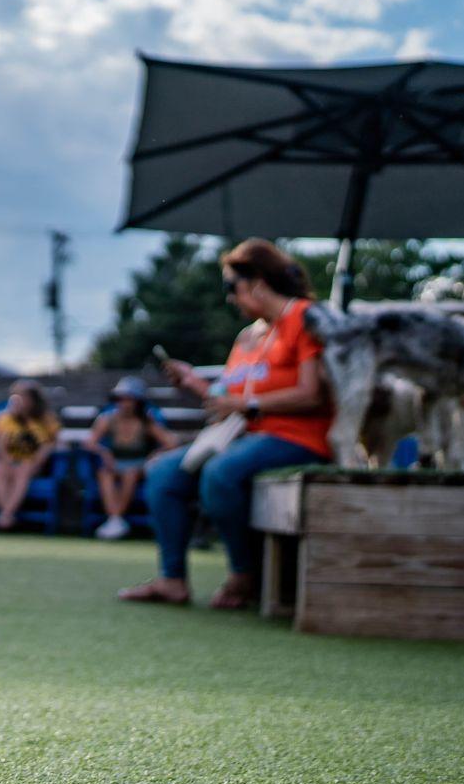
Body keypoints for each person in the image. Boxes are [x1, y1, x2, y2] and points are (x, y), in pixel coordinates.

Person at [119, 238, 334, 609]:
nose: (230, 297)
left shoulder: (302, 317)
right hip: (242, 436)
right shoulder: (248, 336)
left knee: (220, 474)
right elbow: (227, 399)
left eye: (231, 286)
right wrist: (194, 384)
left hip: (298, 436)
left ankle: (243, 576)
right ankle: (172, 580)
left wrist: (246, 403)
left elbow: (312, 393)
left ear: (258, 282)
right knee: (162, 474)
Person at [84, 377, 178, 539]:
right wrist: (104, 453)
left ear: (138, 401)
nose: (124, 403)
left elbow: (171, 442)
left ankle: (115, 520)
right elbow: (90, 443)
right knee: (104, 474)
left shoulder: (147, 421)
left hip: (138, 463)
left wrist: (155, 454)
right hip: (115, 462)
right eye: (120, 399)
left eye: (128, 399)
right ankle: (115, 519)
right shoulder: (107, 419)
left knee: (130, 473)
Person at [0, 380, 60, 531]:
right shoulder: (3, 419)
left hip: (32, 464)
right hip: (7, 461)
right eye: (16, 396)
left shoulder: (46, 419)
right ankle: (6, 515)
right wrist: (8, 462)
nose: (18, 400)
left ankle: (5, 515)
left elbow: (52, 444)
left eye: (23, 397)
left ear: (33, 400)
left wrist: (38, 460)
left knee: (24, 469)